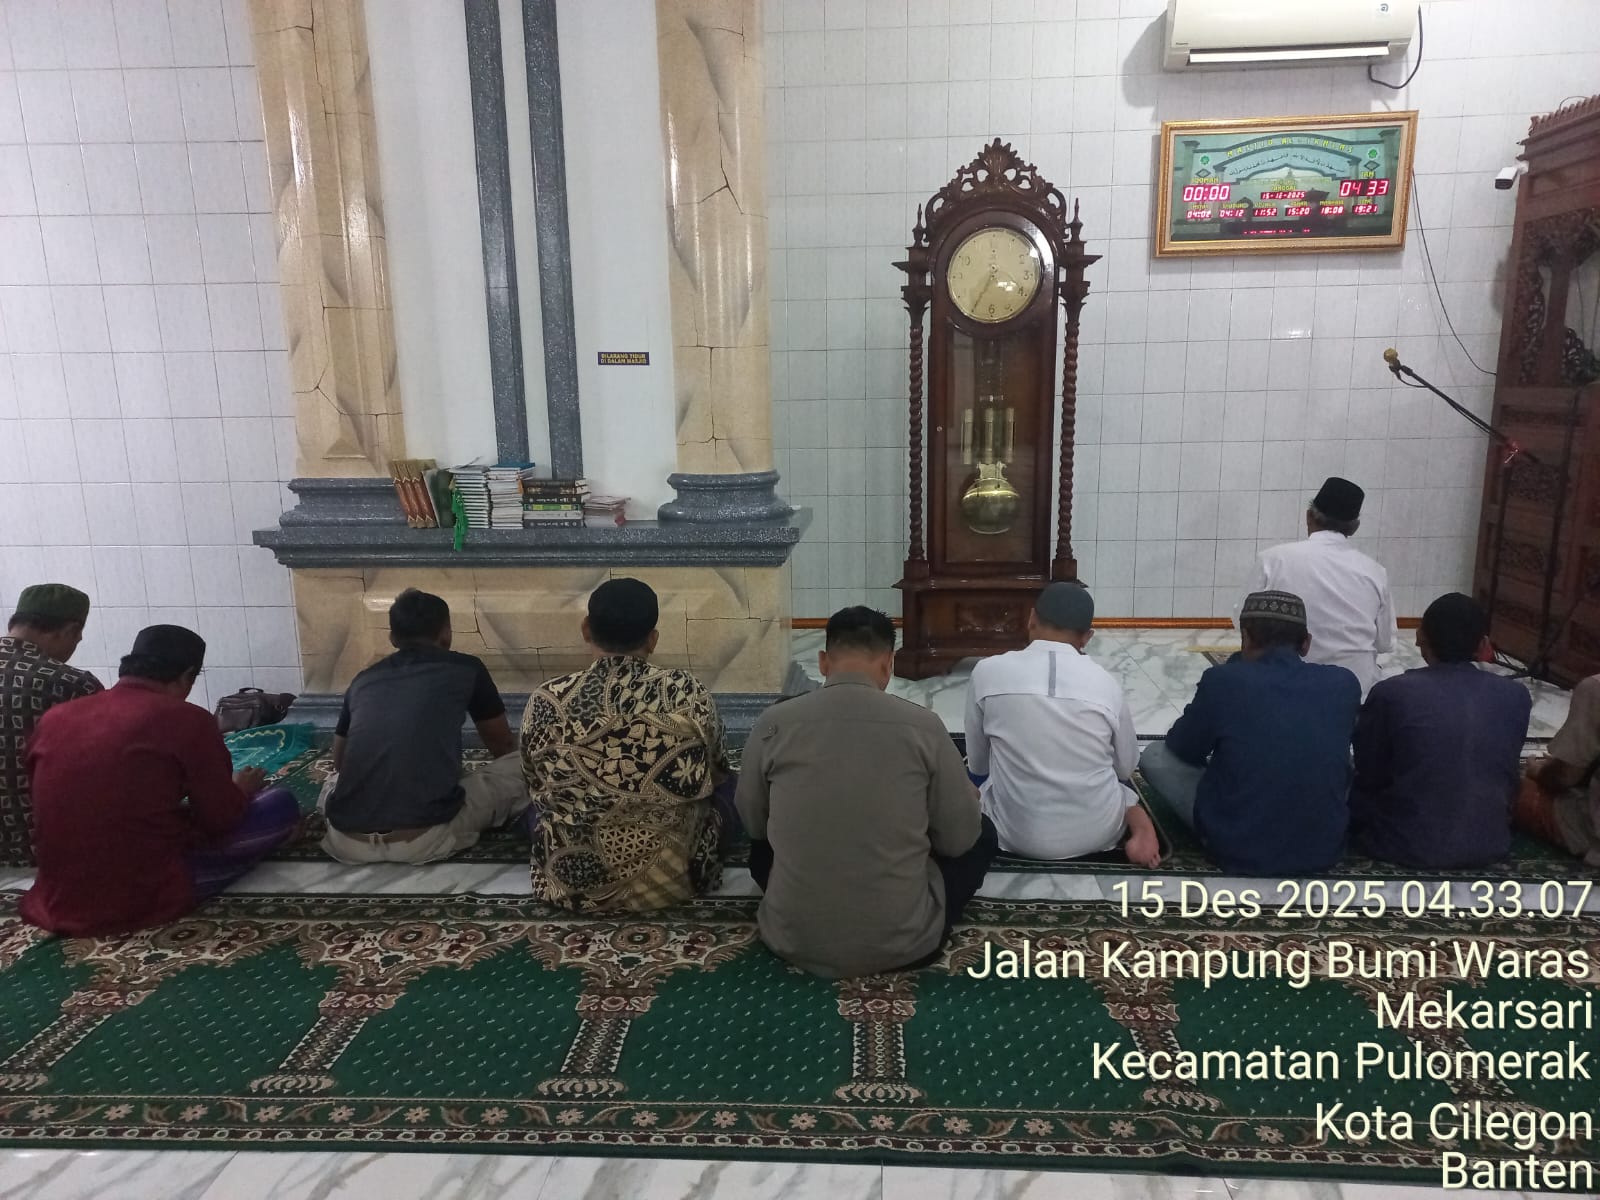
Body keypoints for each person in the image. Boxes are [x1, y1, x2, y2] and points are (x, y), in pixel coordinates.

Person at [737, 606, 997, 978]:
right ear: (888, 665)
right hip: (906, 942)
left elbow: (753, 823)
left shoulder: (774, 723)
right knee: (982, 834)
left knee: (763, 849)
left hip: (791, 938)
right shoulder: (924, 726)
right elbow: (957, 840)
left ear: (823, 662)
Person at [21, 625, 299, 936]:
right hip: (145, 894)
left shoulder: (56, 718)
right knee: (280, 803)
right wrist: (240, 790)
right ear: (187, 675)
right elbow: (220, 819)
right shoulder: (188, 719)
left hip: (55, 897)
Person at [521, 577, 732, 911]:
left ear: (586, 629)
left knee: (533, 809)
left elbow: (533, 781)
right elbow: (717, 770)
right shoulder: (688, 693)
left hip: (568, 886)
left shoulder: (546, 699)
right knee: (733, 789)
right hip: (671, 885)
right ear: (653, 639)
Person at [1140, 591, 1361, 876]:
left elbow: (1183, 747)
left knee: (1154, 756)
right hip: (1322, 849)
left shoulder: (1224, 681)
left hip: (1236, 846)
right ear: (1306, 643)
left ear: (1245, 638)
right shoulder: (1343, 683)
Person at [319, 588, 526, 864]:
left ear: (392, 638)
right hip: (424, 839)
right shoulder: (467, 668)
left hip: (345, 841)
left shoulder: (363, 680)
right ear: (446, 633)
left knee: (332, 781)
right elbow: (502, 745)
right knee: (526, 764)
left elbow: (340, 763)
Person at [964, 582, 1160, 867]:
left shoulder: (987, 672)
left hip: (1011, 832)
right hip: (1098, 832)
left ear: (1031, 618)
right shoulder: (1105, 684)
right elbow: (1125, 768)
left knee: (974, 787)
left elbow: (978, 765)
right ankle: (1140, 825)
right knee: (1123, 791)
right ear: (1087, 637)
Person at [1350, 593, 1531, 868]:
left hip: (1400, 843)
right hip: (1490, 842)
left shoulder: (1392, 693)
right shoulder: (1516, 696)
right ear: (1483, 644)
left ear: (1420, 638)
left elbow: (1369, 771)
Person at [1246, 477, 1395, 695]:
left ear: (1309, 516)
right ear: (1354, 528)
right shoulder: (1375, 572)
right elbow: (1384, 643)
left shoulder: (1272, 559)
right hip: (1355, 691)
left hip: (1283, 689)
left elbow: (1244, 623)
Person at [1, 584, 103, 866]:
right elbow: (107, 771)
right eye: (76, 639)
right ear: (69, 630)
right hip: (41, 852)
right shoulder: (71, 684)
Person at [1517, 676, 1600, 869]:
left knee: (1504, 784)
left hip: (1592, 832)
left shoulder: (1595, 688)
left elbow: (1562, 778)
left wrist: (1537, 771)